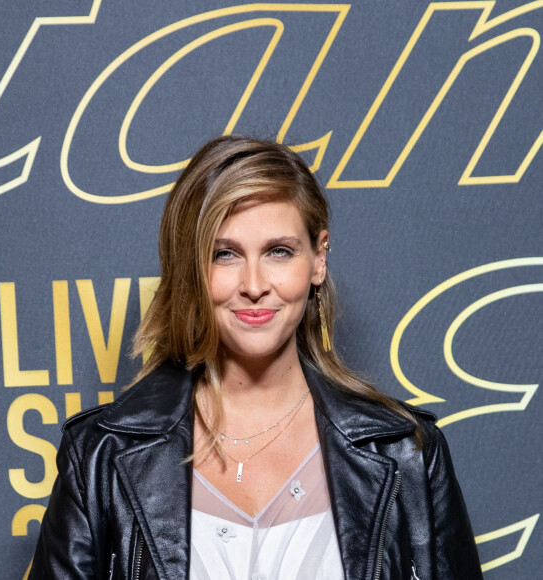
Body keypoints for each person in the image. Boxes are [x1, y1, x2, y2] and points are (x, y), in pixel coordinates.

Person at [29, 135, 483, 579]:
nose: (253, 283)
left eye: (279, 251)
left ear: (318, 259)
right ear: (191, 268)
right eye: (224, 254)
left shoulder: (406, 451)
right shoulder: (98, 456)